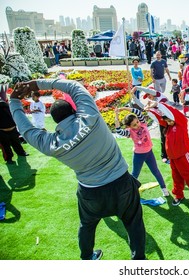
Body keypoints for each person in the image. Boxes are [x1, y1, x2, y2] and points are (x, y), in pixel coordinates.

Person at [10, 79, 146, 260]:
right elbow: (73, 86)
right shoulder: (89, 114)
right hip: (122, 183)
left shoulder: (52, 144)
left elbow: (26, 130)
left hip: (91, 192)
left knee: (87, 225)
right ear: (74, 109)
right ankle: (139, 261)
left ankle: (87, 257)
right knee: (134, 223)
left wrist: (13, 101)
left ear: (56, 121)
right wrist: (36, 84)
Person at [147, 102, 189, 212]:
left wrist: (158, 104)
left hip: (183, 156)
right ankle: (179, 195)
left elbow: (173, 113)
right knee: (176, 177)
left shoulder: (181, 122)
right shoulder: (168, 125)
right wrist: (149, 109)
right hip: (173, 157)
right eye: (167, 121)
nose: (169, 123)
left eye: (170, 120)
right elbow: (158, 118)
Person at [114, 106, 169, 197]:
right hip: (138, 155)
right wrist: (116, 115)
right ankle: (130, 191)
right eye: (134, 125)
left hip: (149, 153)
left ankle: (164, 188)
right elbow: (119, 131)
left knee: (155, 171)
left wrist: (123, 108)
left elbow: (137, 112)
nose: (137, 125)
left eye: (137, 122)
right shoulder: (129, 132)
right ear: (129, 127)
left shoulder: (143, 123)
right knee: (135, 174)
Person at [0, 98, 29, 164]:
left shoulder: (7, 106)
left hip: (12, 129)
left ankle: (21, 152)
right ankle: (9, 158)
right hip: (2, 131)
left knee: (16, 142)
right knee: (5, 146)